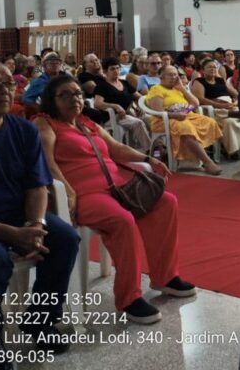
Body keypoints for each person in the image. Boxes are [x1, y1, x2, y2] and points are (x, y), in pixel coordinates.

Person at [34, 75, 195, 325]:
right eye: (65, 94)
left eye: (77, 93)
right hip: (86, 193)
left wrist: (149, 158)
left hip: (119, 185)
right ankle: (129, 298)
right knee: (122, 220)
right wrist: (68, 190)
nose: (74, 99)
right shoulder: (46, 124)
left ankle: (165, 276)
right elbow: (47, 161)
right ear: (51, 101)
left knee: (166, 202)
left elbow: (116, 149)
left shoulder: (87, 123)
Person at [0, 60, 79, 367]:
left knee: (65, 239)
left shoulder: (23, 130)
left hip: (17, 215)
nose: (5, 90)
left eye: (9, 83)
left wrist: (35, 225)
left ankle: (40, 321)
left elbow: (37, 186)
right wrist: (12, 235)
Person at [145, 66, 223, 175]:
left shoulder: (177, 89)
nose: (173, 77)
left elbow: (196, 104)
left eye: (175, 74)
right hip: (165, 120)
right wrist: (175, 115)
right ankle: (207, 162)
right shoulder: (157, 89)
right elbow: (158, 111)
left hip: (185, 116)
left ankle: (200, 155)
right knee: (186, 128)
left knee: (209, 122)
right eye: (170, 74)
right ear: (161, 76)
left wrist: (182, 88)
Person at [191, 60, 240, 158]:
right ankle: (236, 113)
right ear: (203, 70)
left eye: (214, 67)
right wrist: (219, 105)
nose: (213, 69)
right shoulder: (199, 81)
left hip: (229, 105)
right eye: (209, 67)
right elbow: (201, 100)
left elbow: (234, 93)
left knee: (231, 121)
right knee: (227, 115)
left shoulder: (221, 80)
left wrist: (236, 100)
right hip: (212, 109)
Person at [93, 56, 151, 152]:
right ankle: (149, 151)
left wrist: (140, 106)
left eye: (117, 68)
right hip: (115, 117)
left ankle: (159, 148)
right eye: (112, 69)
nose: (116, 71)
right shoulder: (102, 86)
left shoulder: (124, 83)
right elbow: (97, 104)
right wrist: (115, 106)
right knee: (138, 123)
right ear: (105, 71)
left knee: (152, 120)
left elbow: (139, 97)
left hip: (131, 112)